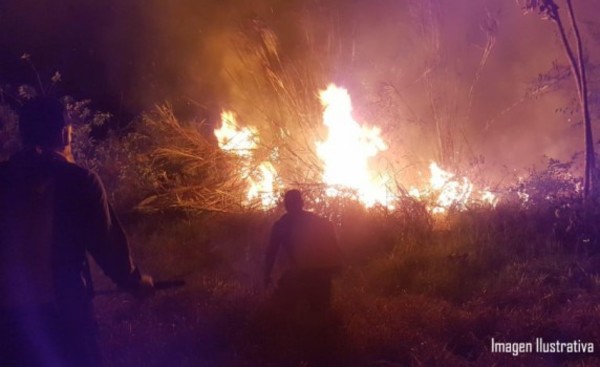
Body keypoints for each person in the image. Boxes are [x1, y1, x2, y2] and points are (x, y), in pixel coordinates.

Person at [0, 98, 154, 367]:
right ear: (63, 133)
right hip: (62, 316)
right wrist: (134, 282)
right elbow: (107, 245)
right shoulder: (79, 181)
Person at [264, 189, 342, 316]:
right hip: (321, 273)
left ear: (286, 205)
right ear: (302, 203)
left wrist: (267, 276)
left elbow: (271, 252)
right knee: (320, 313)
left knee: (284, 311)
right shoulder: (319, 221)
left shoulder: (282, 225)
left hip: (303, 273)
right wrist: (337, 266)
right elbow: (334, 246)